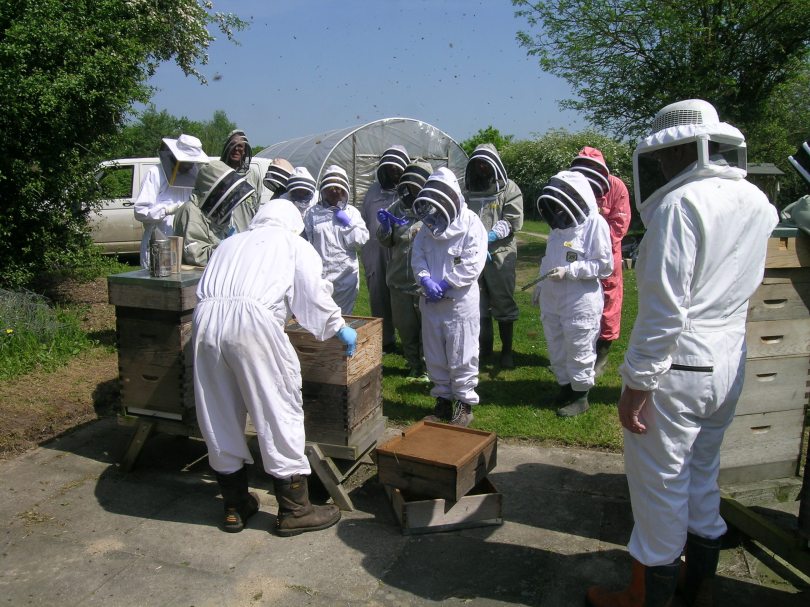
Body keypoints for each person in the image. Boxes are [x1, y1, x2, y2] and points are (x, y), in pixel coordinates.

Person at [586, 99, 778, 607]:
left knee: (659, 488)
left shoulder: (679, 205)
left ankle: (643, 597)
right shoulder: (758, 200)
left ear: (685, 150)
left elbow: (665, 312)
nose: (665, 165)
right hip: (730, 359)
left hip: (680, 364)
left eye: (669, 154)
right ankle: (697, 594)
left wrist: (636, 385)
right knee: (701, 477)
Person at [192, 189, 357, 536]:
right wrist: (338, 327)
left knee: (216, 409)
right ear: (293, 224)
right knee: (277, 407)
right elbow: (313, 294)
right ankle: (295, 509)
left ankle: (235, 505)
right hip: (252, 324)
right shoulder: (293, 244)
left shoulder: (229, 244)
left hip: (205, 321)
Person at [532, 171, 613, 417]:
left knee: (579, 346)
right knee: (556, 345)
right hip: (553, 297)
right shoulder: (558, 226)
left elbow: (604, 265)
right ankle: (565, 388)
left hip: (579, 299)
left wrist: (570, 271)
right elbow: (548, 259)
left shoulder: (595, 224)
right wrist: (539, 286)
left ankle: (581, 396)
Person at [411, 167, 488, 427]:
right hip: (431, 302)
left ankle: (464, 405)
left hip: (459, 303)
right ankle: (443, 402)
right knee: (434, 353)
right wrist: (424, 279)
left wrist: (445, 283)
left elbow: (473, 263)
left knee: (462, 352)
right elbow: (417, 255)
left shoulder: (471, 223)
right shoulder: (427, 226)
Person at [569, 147, 631, 377]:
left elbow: (620, 224)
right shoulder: (573, 186)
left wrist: (599, 245)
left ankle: (601, 357)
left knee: (608, 305)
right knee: (579, 302)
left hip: (607, 254)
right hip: (579, 251)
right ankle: (579, 353)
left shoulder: (617, 187)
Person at [463, 143, 524, 368]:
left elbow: (512, 219)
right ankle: (484, 347)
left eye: (485, 163)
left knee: (503, 299)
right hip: (472, 253)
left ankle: (507, 351)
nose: (481, 167)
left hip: (499, 253)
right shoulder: (467, 190)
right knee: (476, 300)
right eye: (477, 163)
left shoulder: (509, 189)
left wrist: (489, 237)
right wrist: (474, 242)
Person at [377, 158, 433, 381]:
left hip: (425, 282)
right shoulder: (397, 207)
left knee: (427, 329)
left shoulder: (437, 208)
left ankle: (429, 367)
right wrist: (385, 226)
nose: (413, 188)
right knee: (406, 327)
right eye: (409, 183)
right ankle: (413, 365)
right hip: (399, 279)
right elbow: (386, 242)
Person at [362, 145, 410, 353]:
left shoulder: (411, 189)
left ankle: (410, 340)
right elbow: (365, 219)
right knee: (379, 292)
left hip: (401, 248)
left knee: (404, 294)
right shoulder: (373, 191)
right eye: (390, 168)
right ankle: (385, 339)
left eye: (397, 168)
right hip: (376, 249)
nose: (394, 172)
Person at [134, 134, 207, 268]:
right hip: (158, 244)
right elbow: (140, 211)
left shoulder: (192, 178)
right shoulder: (155, 173)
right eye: (187, 161)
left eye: (192, 162)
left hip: (184, 246)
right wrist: (167, 210)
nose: (190, 165)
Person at [304, 165, 369, 314]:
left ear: (345, 190)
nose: (334, 191)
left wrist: (348, 224)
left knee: (343, 319)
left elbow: (361, 240)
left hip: (345, 276)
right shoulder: (312, 213)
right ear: (323, 190)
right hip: (320, 275)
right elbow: (306, 244)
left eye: (338, 187)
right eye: (330, 187)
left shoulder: (352, 213)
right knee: (320, 318)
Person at [173, 160, 254, 266]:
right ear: (211, 188)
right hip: (196, 277)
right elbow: (195, 255)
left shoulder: (215, 212)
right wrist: (230, 248)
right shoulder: (190, 210)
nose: (223, 193)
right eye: (222, 189)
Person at [220, 129, 264, 233]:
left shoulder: (253, 175)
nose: (236, 149)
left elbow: (256, 207)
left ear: (245, 151)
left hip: (245, 235)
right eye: (233, 145)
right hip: (221, 237)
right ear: (227, 147)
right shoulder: (217, 172)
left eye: (240, 146)